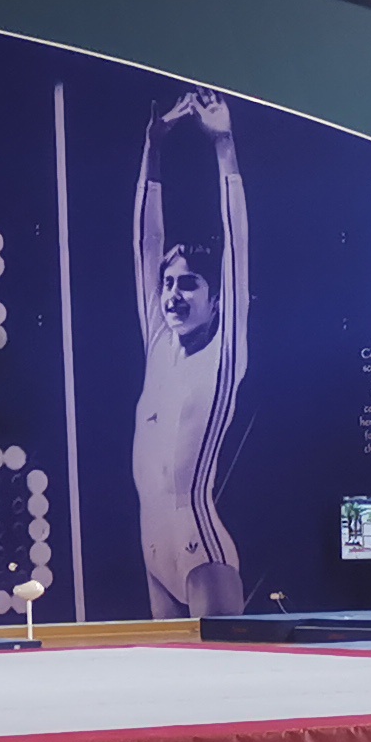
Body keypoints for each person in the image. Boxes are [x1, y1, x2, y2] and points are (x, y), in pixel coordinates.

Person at [131, 89, 250, 619]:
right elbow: (146, 241)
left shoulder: (222, 355)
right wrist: (152, 147)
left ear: (215, 299)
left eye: (189, 284)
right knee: (168, 673)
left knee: (227, 670)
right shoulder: (159, 343)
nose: (174, 296)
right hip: (152, 546)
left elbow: (237, 245)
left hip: (201, 550)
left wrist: (223, 144)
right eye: (168, 284)